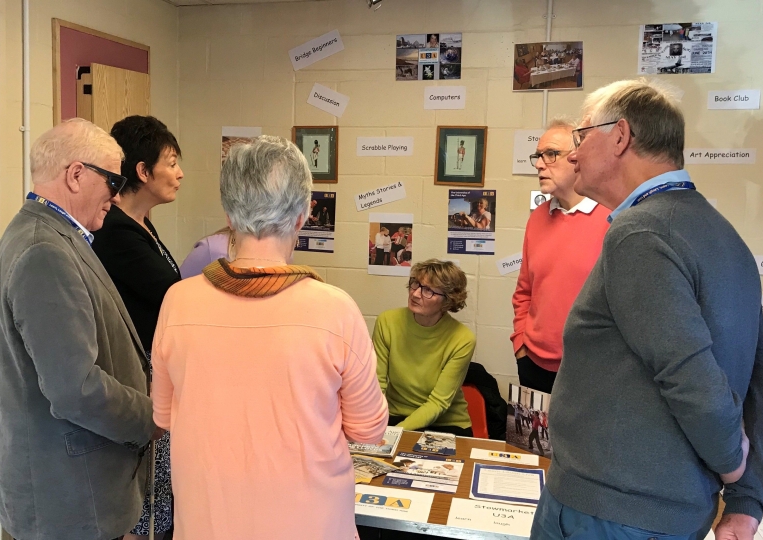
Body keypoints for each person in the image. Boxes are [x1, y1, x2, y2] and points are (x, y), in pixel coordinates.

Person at [531, 79, 763, 540]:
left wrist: (733, 467)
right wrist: (748, 499)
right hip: (662, 515)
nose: (572, 155)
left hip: (608, 515)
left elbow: (690, 376)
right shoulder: (723, 235)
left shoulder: (639, 233)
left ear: (620, 136)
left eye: (580, 137)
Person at [150, 135, 388, 539]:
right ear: (303, 215)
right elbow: (370, 430)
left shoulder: (177, 302)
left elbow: (164, 417)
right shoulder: (336, 309)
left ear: (228, 213)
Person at [0, 118, 157, 540]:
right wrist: (153, 418)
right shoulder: (44, 249)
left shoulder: (54, 235)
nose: (117, 197)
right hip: (67, 501)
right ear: (76, 174)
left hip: (73, 494)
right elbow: (75, 388)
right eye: (113, 181)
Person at [92, 115, 183, 540]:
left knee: (158, 501)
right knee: (141, 510)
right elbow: (174, 294)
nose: (179, 173)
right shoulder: (115, 231)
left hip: (154, 377)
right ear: (143, 171)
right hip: (133, 384)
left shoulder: (143, 225)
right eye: (171, 162)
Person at [511, 118, 610, 394]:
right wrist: (521, 346)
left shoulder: (614, 217)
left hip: (592, 372)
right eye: (538, 156)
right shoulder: (538, 218)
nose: (540, 164)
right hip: (533, 366)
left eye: (551, 155)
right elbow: (524, 292)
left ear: (578, 158)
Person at [373, 259, 476, 436]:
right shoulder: (387, 322)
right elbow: (377, 384)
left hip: (446, 422)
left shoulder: (463, 339)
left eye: (428, 290)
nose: (415, 294)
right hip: (396, 415)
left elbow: (438, 403)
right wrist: (373, 425)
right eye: (416, 284)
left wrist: (394, 434)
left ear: (448, 301)